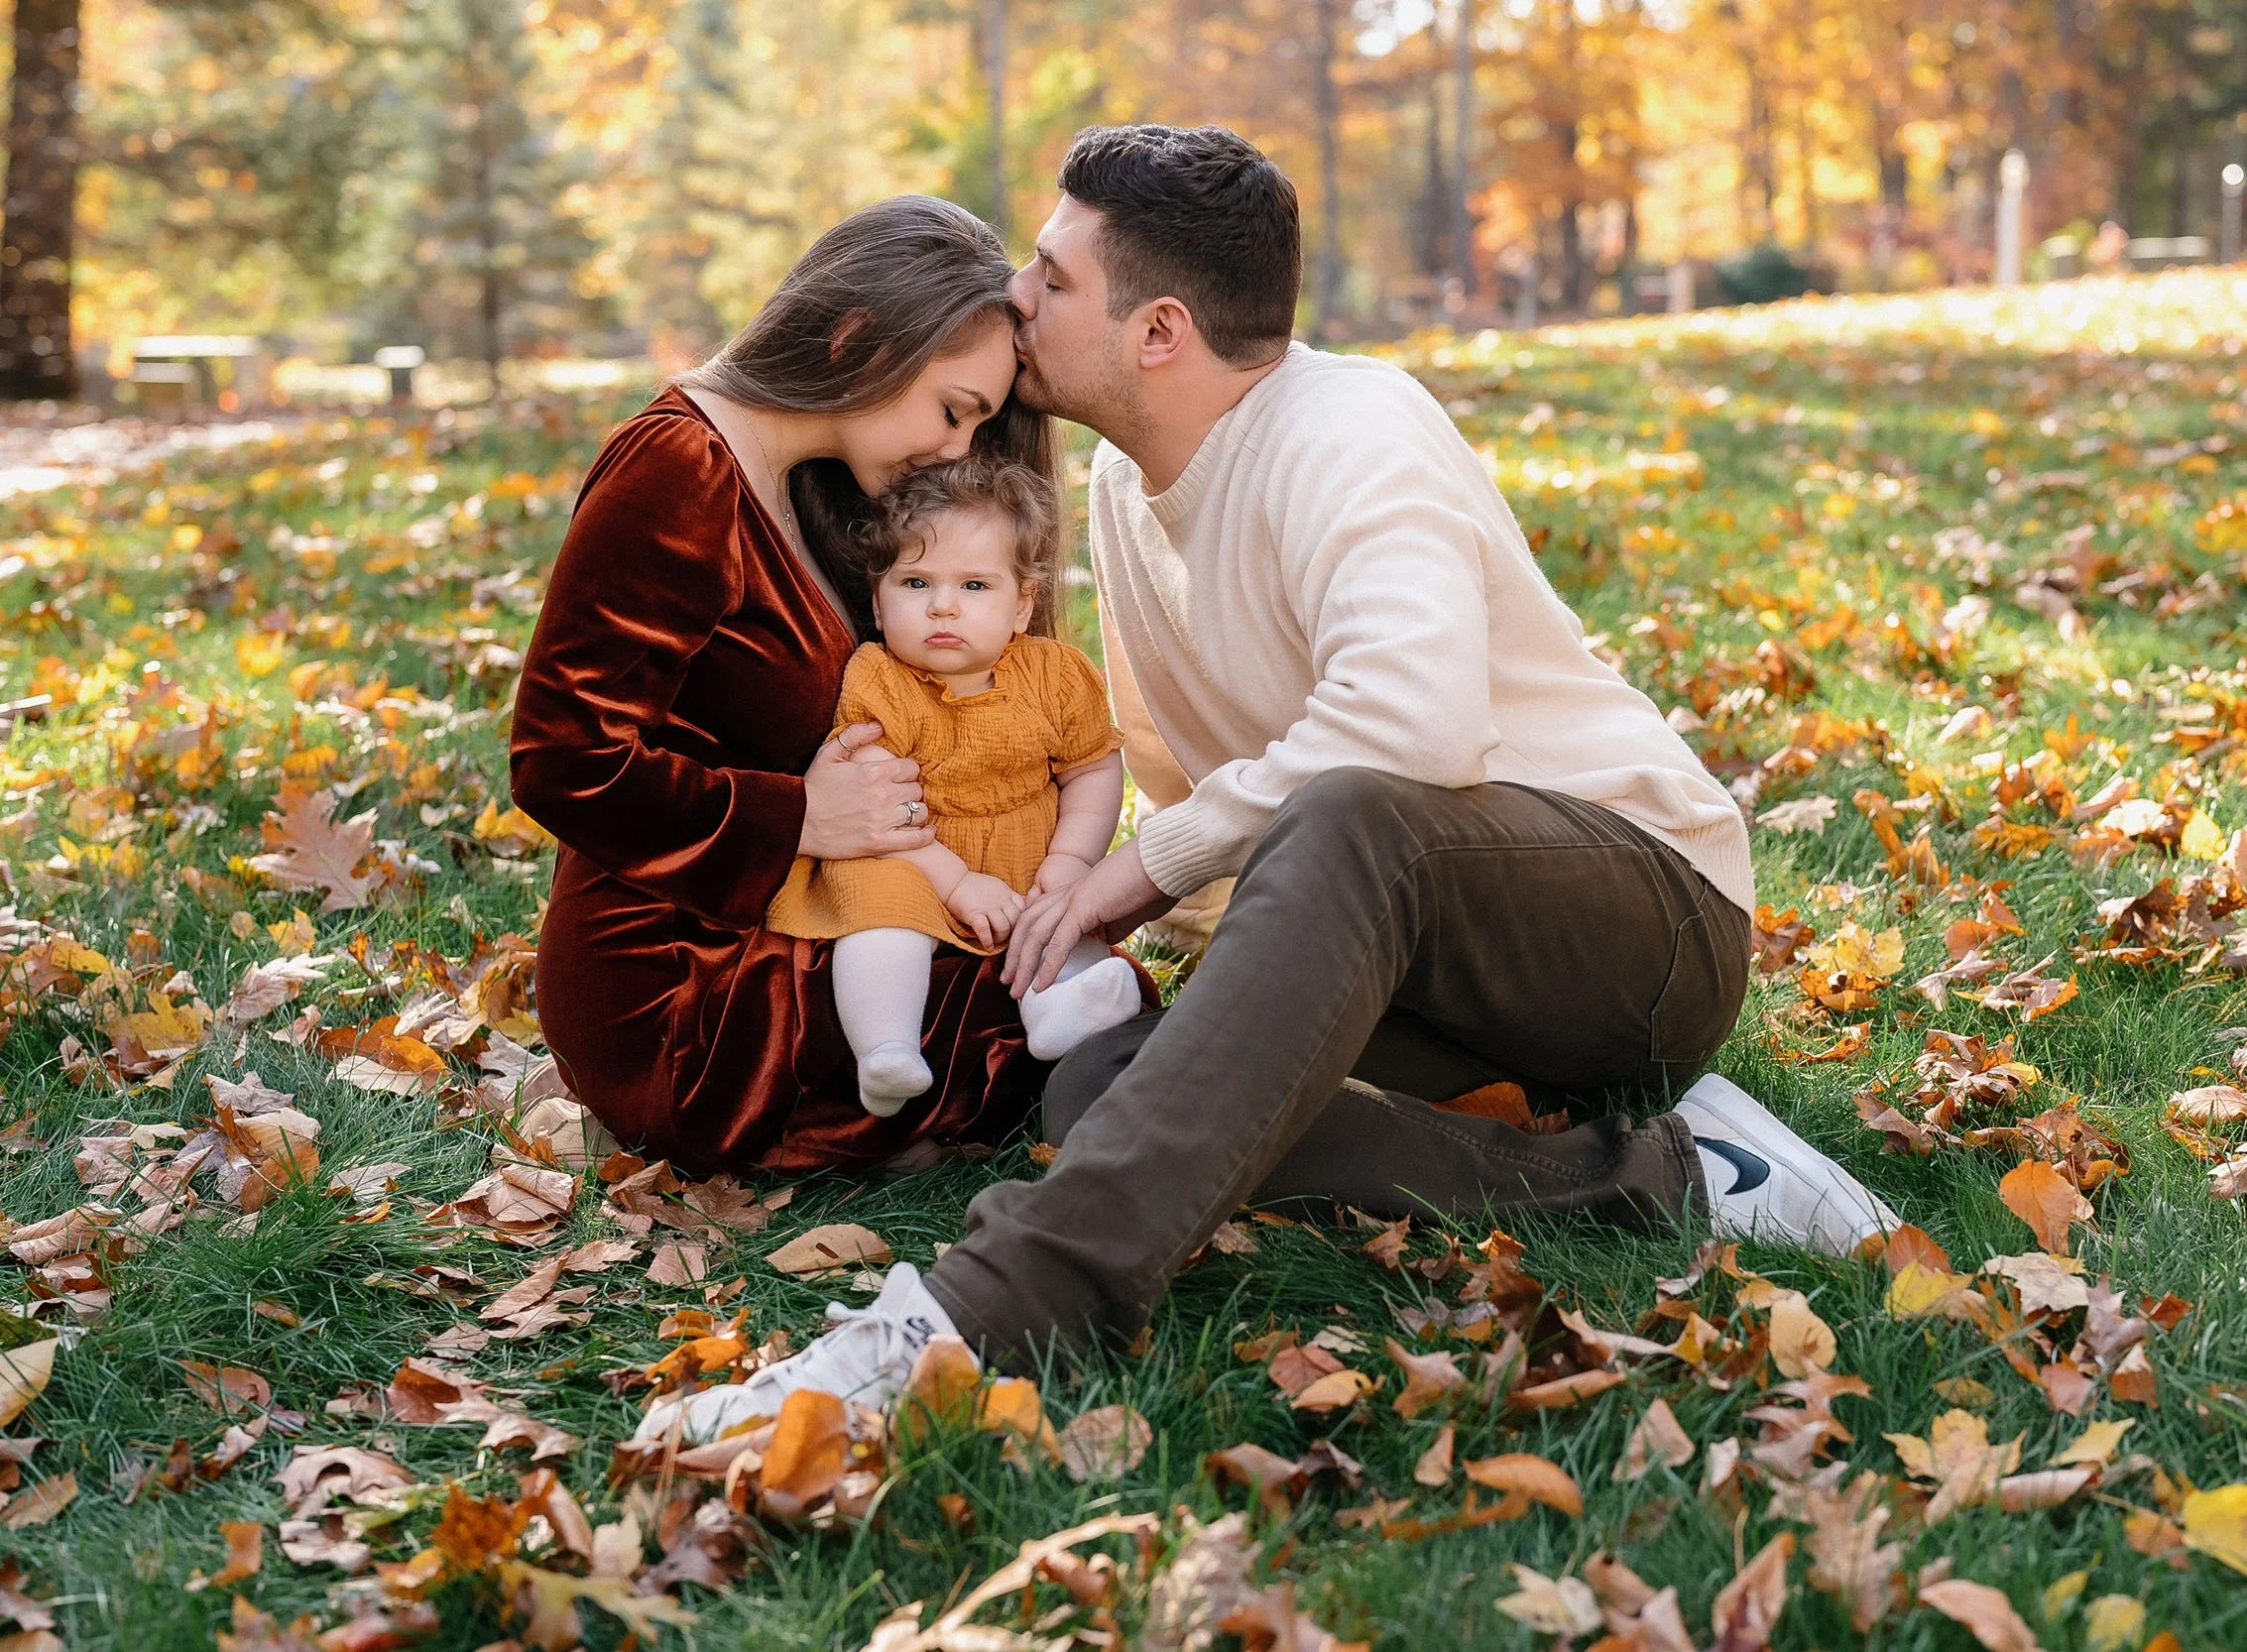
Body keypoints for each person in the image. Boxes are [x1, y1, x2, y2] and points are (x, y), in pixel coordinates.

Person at [636, 127, 1897, 1443]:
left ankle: (977, 1317)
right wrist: (1115, 942)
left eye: (1055, 277)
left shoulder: (1350, 428)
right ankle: (1679, 1175)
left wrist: (1144, 864)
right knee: (1111, 1084)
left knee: (1352, 805)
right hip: (1411, 952)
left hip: (1639, 921)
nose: (1017, 295)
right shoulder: (1129, 481)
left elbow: (1413, 728)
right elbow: (1181, 771)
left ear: (1160, 330)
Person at [509, 195, 1119, 1175]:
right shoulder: (676, 468)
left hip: (805, 914)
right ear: (857, 337)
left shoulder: (817, 484)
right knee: (1045, 1022)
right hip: (678, 975)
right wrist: (794, 816)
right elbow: (560, 763)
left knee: (1075, 985)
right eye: (953, 410)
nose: (959, 450)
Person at [766, 455, 1147, 1116]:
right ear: (879, 605)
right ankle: (885, 1048)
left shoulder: (1057, 674)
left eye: (974, 586)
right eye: (916, 582)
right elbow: (879, 806)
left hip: (1026, 851)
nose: (943, 605)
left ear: (1022, 604)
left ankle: (1064, 1007)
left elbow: (1091, 767)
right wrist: (954, 880)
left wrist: (1072, 859)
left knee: (1058, 910)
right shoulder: (878, 680)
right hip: (911, 852)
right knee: (880, 910)